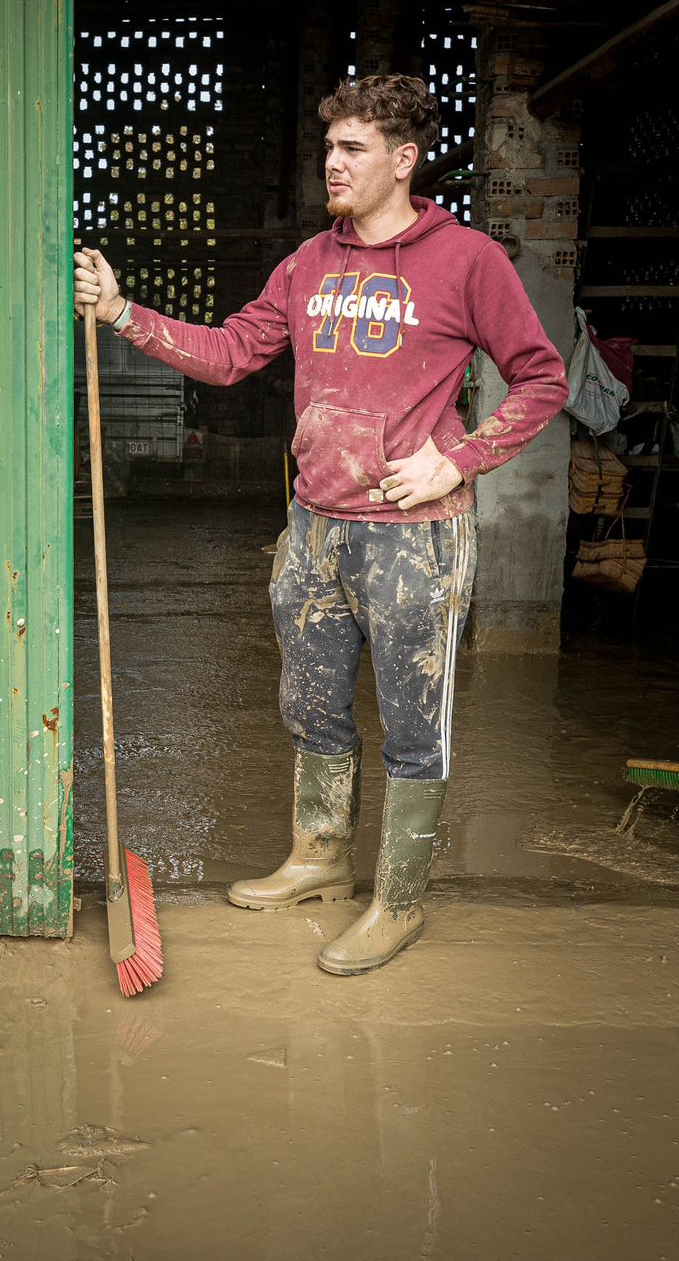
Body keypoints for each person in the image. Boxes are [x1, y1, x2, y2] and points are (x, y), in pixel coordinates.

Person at [73, 75, 568, 975]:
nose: (331, 163)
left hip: (415, 536)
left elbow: (543, 380)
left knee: (416, 726)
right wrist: (122, 314)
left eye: (353, 148)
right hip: (314, 529)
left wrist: (455, 460)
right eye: (329, 146)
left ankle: (400, 899)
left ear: (404, 160)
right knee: (309, 705)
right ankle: (321, 856)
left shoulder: (466, 263)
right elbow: (230, 354)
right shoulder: (307, 264)